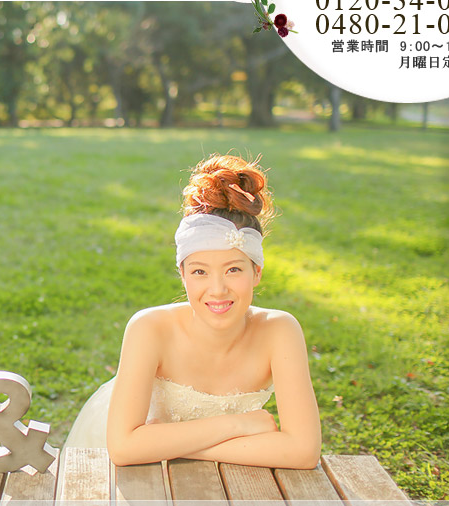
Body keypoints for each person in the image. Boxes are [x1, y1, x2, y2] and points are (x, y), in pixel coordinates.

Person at [64, 154, 321, 469]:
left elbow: (303, 451)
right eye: (200, 272)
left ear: (257, 273)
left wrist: (169, 444)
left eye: (233, 270)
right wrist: (238, 426)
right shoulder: (150, 328)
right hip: (132, 471)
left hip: (208, 465)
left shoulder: (279, 331)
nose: (217, 289)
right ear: (182, 275)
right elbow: (123, 448)